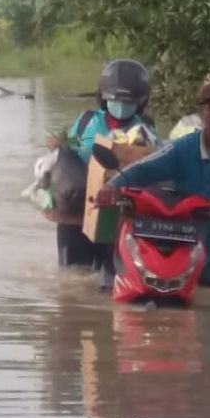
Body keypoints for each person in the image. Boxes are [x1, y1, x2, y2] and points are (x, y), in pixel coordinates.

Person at [96, 78, 210, 289]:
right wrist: (112, 186)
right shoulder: (183, 148)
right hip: (189, 260)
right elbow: (144, 167)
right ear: (202, 113)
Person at [56, 59, 160, 271]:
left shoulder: (146, 130)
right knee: (73, 280)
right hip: (77, 218)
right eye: (115, 100)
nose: (121, 107)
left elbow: (156, 166)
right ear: (103, 98)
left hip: (121, 219)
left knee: (113, 280)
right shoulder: (86, 122)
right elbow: (66, 155)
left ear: (141, 102)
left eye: (128, 102)